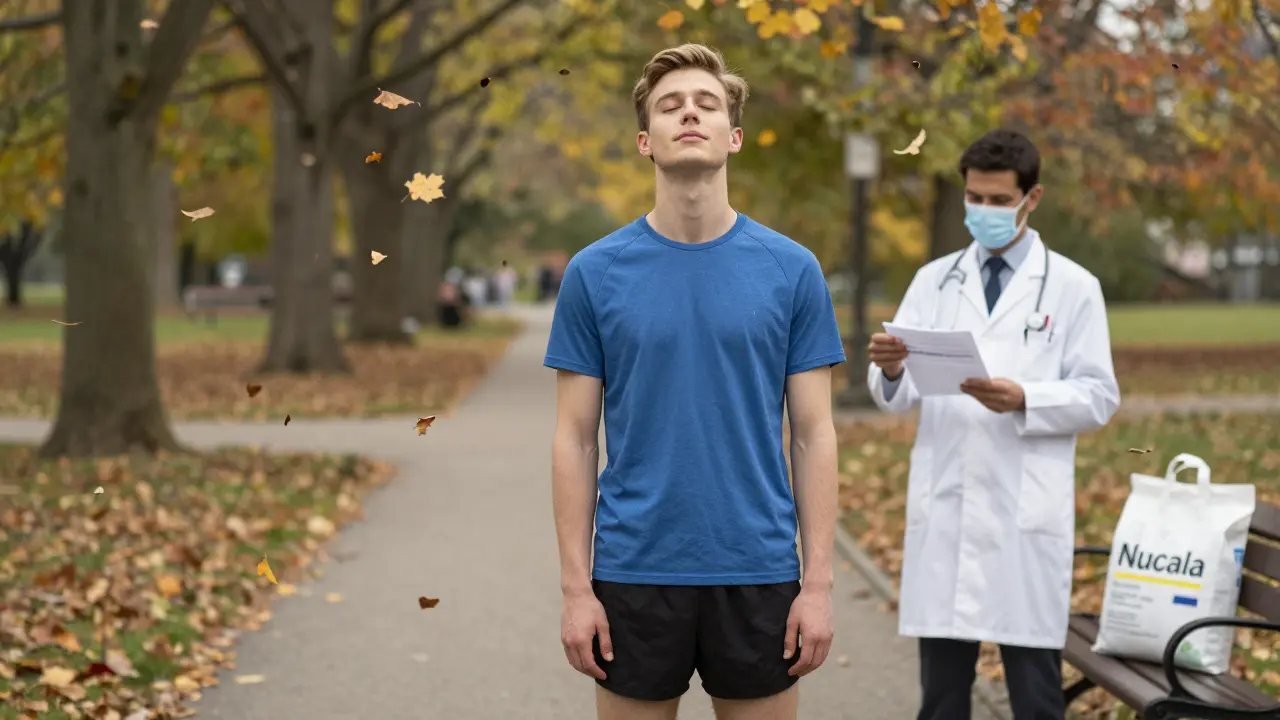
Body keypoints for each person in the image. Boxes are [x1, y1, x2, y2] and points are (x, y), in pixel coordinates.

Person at [545, 43, 846, 720]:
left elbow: (814, 433)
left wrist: (818, 584)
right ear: (644, 140)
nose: (689, 113)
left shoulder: (793, 270)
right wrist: (575, 590)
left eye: (707, 104)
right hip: (633, 570)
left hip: (759, 568)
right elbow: (573, 438)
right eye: (670, 105)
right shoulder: (594, 273)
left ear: (733, 137)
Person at [865, 129, 1121, 720]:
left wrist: (1026, 398)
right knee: (943, 700)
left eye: (999, 202)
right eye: (974, 199)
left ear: (1032, 200)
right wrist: (893, 368)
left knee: (1035, 698)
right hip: (949, 505)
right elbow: (894, 398)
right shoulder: (934, 280)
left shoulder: (1074, 288)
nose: (983, 212)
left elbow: (1099, 396)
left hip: (1022, 513)